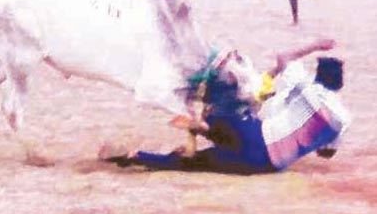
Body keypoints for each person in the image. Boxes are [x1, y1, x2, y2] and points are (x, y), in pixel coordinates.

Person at [101, 39, 349, 175]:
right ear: (339, 86)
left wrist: (316, 45)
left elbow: (283, 58)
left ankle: (202, 124)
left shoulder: (309, 88)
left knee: (227, 106)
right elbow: (326, 153)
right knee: (189, 164)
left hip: (253, 134)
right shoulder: (343, 119)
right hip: (266, 167)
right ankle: (138, 157)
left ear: (319, 77)